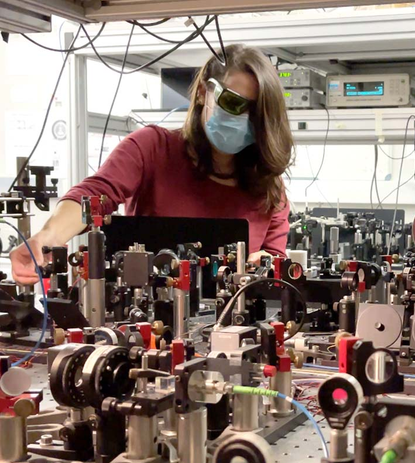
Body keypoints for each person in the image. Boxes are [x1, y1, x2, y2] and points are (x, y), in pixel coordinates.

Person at [10, 44, 293, 285]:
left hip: (231, 335)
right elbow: (94, 195)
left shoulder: (269, 188)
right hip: (140, 328)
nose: (242, 119)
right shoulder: (152, 149)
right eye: (233, 103)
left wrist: (267, 264)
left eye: (254, 113)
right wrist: (48, 237)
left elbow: (275, 270)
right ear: (204, 93)